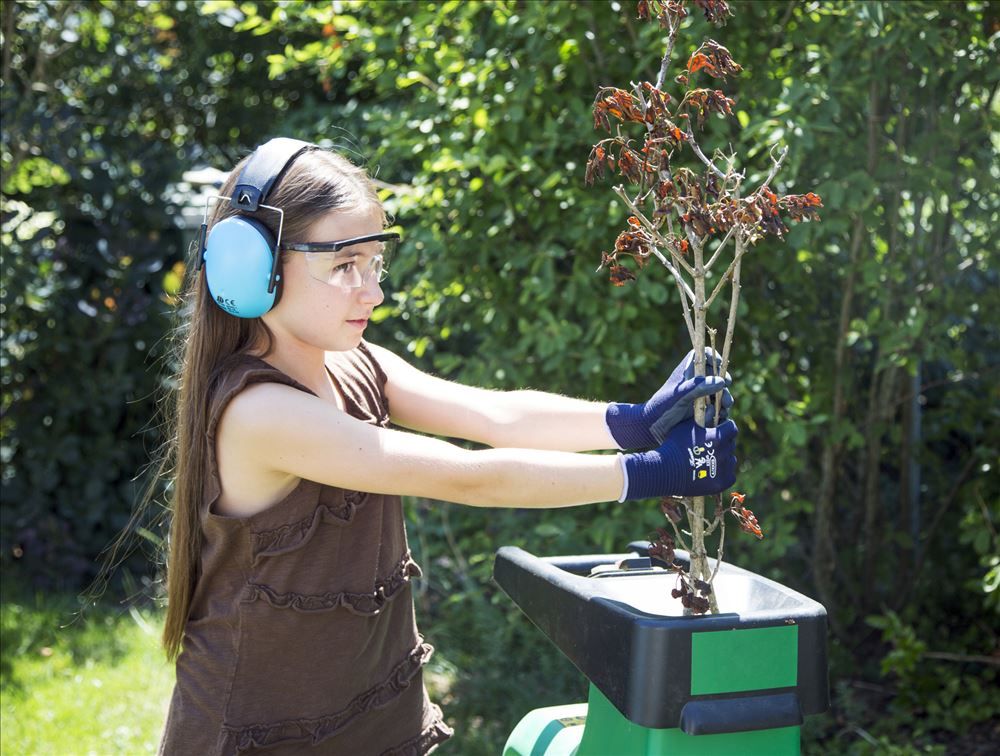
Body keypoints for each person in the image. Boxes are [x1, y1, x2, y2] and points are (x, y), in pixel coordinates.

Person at [156, 138, 738, 756]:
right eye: (343, 265)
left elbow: (496, 415)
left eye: (375, 263)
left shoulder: (356, 362)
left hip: (371, 717)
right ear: (253, 268)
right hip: (260, 733)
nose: (372, 292)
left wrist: (633, 423)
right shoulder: (261, 412)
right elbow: (470, 476)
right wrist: (652, 473)